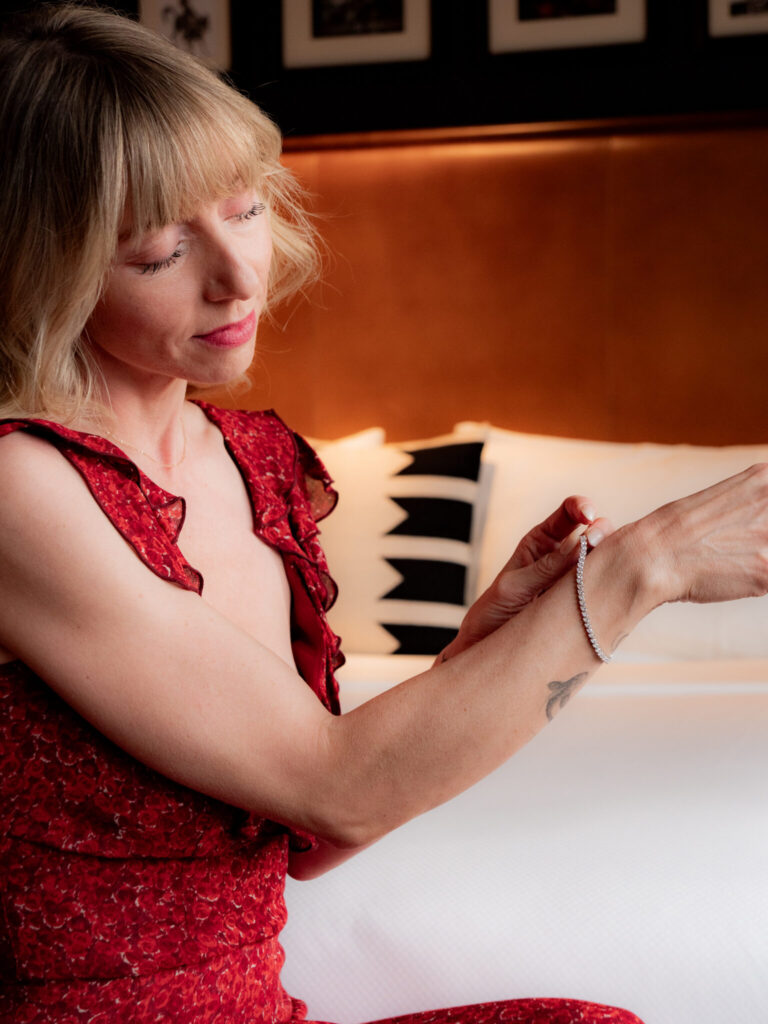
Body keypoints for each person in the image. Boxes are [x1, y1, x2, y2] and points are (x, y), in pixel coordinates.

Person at [1, 6, 767, 1023]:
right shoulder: (19, 486)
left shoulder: (252, 462)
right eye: (158, 252)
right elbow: (338, 786)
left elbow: (308, 836)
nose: (238, 276)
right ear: (45, 270)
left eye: (243, 209)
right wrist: (642, 568)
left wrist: (475, 653)